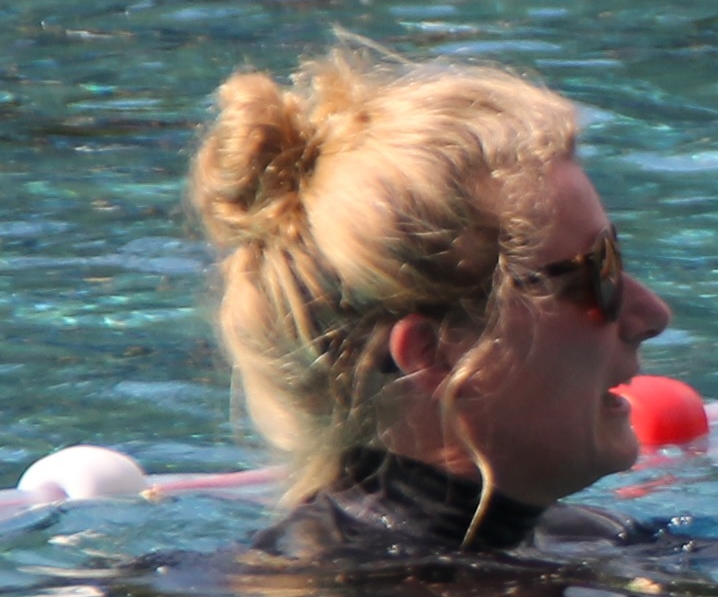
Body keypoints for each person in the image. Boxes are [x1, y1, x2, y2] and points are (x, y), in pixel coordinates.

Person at [191, 43, 676, 565]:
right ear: (436, 354)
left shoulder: (584, 539)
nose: (652, 314)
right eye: (596, 272)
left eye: (615, 253)